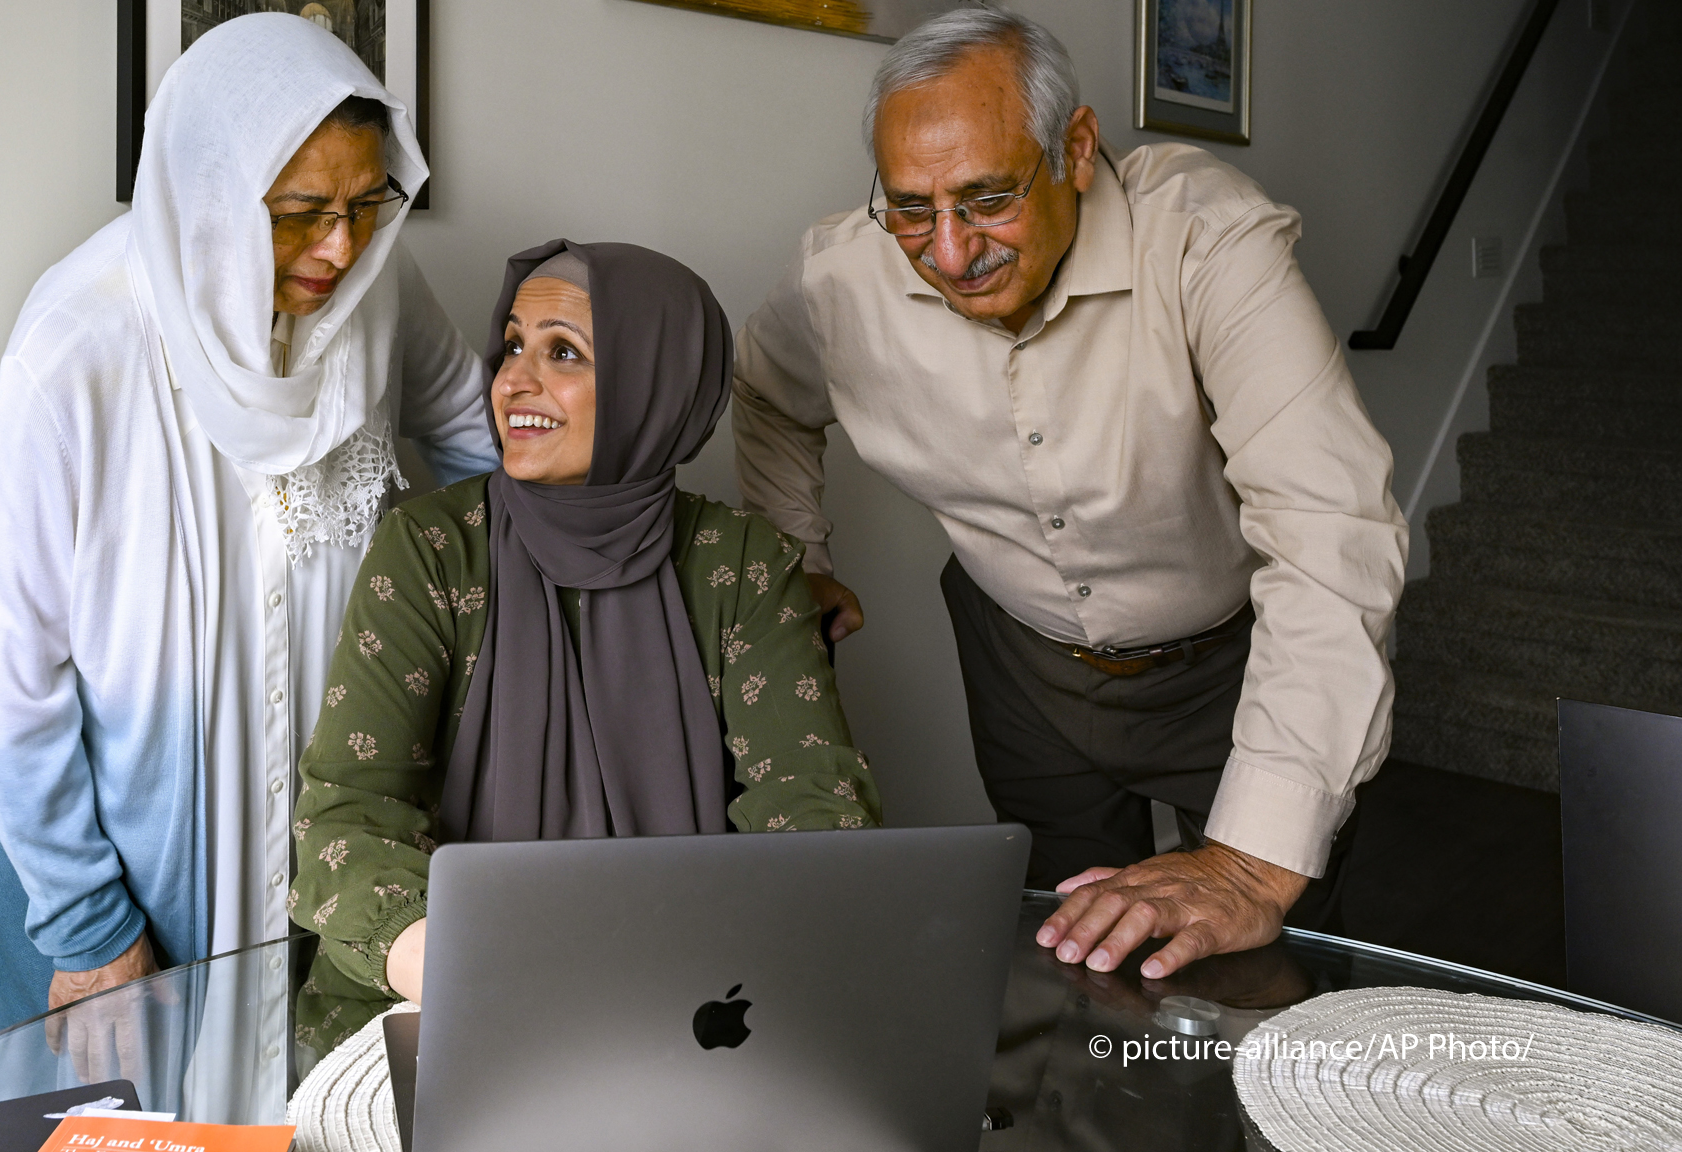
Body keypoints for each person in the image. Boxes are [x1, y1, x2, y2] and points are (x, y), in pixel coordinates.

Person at [731, 6, 1406, 981]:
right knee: (1073, 953)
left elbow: (1328, 529)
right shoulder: (838, 280)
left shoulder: (1206, 242)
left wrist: (1251, 868)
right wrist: (799, 557)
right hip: (1020, 671)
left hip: (1226, 664)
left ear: (1076, 150)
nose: (952, 253)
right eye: (912, 209)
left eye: (987, 198)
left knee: (1268, 965)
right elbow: (763, 392)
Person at [0, 14, 499, 1047]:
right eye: (298, 213)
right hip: (140, 863)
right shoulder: (79, 343)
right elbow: (2, 671)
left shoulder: (379, 292)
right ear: (208, 194)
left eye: (367, 206)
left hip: (332, 830)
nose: (339, 249)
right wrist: (88, 927)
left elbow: (483, 452)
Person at [287, 241, 884, 1056]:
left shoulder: (742, 565)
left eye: (562, 351)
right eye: (512, 345)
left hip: (696, 1017)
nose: (513, 381)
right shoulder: (430, 550)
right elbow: (347, 820)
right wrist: (480, 969)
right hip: (454, 1006)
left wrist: (682, 988)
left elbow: (814, 808)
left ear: (654, 384)